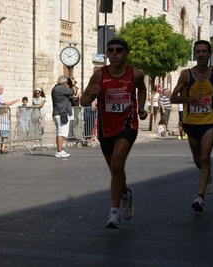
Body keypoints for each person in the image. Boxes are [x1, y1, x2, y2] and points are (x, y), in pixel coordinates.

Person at [80, 37, 147, 229]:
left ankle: (114, 211)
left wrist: (141, 107)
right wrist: (91, 95)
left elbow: (142, 90)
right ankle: (126, 193)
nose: (115, 53)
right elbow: (82, 101)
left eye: (119, 50)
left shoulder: (135, 74)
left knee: (117, 164)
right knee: (115, 170)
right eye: (111, 50)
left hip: (128, 125)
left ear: (126, 53)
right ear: (107, 54)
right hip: (105, 128)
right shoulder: (99, 75)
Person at [170, 40, 213, 212]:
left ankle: (200, 197)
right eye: (198, 52)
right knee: (198, 159)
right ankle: (207, 173)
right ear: (194, 55)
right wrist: (190, 99)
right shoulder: (186, 75)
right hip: (191, 122)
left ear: (210, 54)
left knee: (205, 157)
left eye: (204, 52)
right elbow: (173, 98)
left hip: (209, 121)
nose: (201, 55)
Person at [51, 75, 73, 158]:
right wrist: (73, 85)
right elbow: (72, 91)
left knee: (60, 132)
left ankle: (59, 150)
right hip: (62, 114)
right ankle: (59, 151)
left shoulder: (56, 89)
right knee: (61, 133)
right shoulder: (60, 88)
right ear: (64, 83)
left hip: (59, 113)